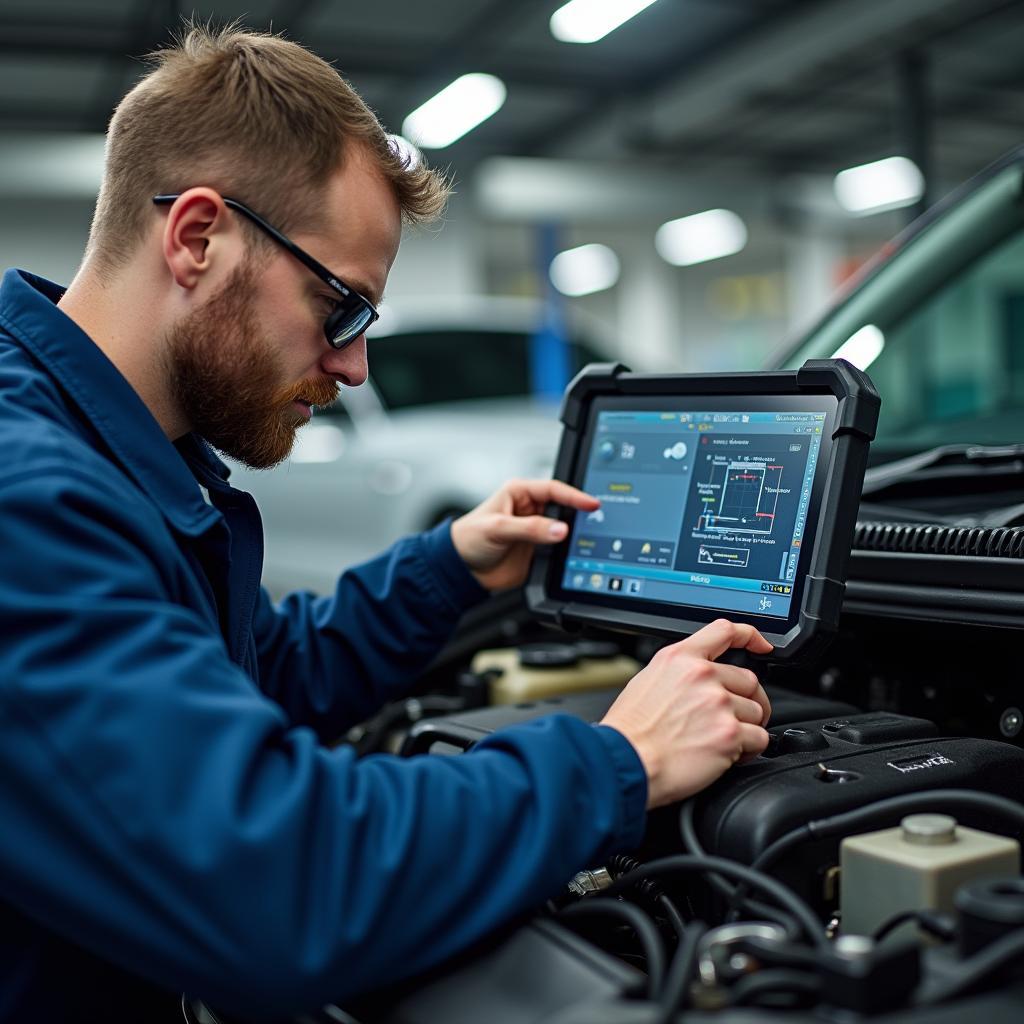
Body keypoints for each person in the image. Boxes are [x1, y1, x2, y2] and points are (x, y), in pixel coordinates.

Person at [0, 23, 772, 1023]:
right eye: (342, 309)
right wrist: (617, 762)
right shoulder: (29, 495)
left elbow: (253, 677)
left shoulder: (108, 457)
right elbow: (287, 883)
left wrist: (449, 566)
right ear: (197, 237)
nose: (356, 364)